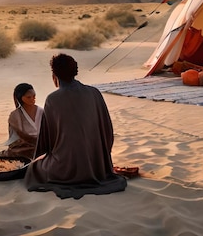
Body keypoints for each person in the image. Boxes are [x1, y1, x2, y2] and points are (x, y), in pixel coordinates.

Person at [24, 53, 127, 199]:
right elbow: (108, 132)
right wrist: (100, 158)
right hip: (98, 166)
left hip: (65, 168)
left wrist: (38, 159)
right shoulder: (94, 93)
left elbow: (46, 143)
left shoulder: (52, 99)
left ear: (54, 75)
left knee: (34, 168)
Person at [0, 83, 44, 160]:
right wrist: (39, 142)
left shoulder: (42, 111)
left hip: (40, 144)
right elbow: (22, 135)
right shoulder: (15, 115)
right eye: (29, 97)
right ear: (21, 97)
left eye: (34, 96)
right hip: (22, 147)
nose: (32, 99)